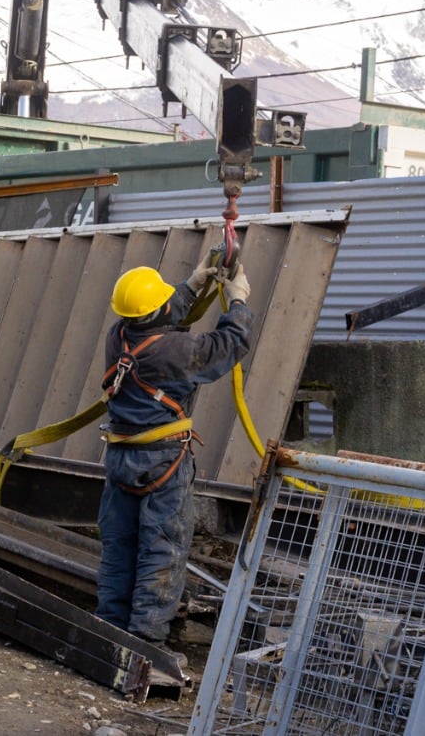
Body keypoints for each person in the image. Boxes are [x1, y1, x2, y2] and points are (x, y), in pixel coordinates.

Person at [95, 257, 253, 651]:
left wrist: (192, 284)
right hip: (164, 462)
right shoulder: (179, 351)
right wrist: (238, 301)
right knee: (162, 548)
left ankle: (109, 626)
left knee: (120, 544)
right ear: (159, 307)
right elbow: (228, 345)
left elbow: (155, 316)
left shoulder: (118, 336)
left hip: (120, 459)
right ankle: (145, 639)